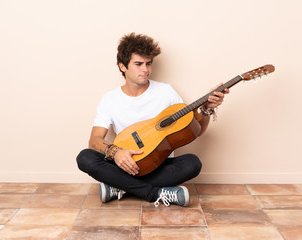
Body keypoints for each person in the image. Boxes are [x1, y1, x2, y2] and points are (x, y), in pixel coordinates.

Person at [76, 33, 229, 207]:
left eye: (149, 63)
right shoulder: (110, 99)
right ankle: (156, 193)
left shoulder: (166, 92)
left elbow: (198, 130)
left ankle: (121, 187)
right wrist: (116, 152)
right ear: (122, 66)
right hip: (124, 165)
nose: (145, 70)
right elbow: (94, 141)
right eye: (138, 64)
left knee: (192, 163)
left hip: (159, 164)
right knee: (85, 157)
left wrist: (207, 109)